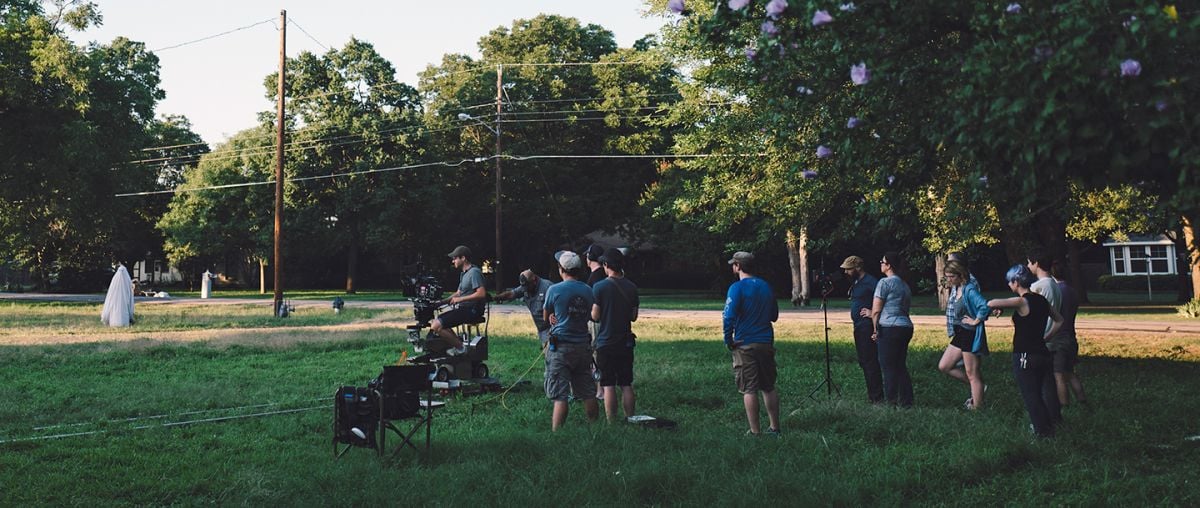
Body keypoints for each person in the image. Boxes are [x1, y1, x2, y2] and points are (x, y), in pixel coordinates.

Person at [975, 264, 1063, 437]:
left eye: (1010, 282)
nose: (1009, 285)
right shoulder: (1041, 300)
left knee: (1032, 396)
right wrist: (1047, 337)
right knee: (1043, 392)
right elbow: (1059, 320)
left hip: (1025, 355)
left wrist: (998, 306)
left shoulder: (1022, 301)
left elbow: (991, 302)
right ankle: (1050, 427)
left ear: (1016, 282)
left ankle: (1042, 433)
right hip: (1043, 353)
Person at [723, 251, 781, 436]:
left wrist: (728, 340)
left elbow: (728, 316)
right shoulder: (766, 286)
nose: (733, 267)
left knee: (749, 388)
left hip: (745, 343)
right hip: (765, 341)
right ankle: (774, 427)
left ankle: (755, 431)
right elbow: (774, 316)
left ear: (738, 266)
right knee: (768, 386)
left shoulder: (736, 288)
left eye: (734, 264)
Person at [542, 250, 599, 431]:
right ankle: (596, 428)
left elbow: (546, 316)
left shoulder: (554, 289)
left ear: (561, 269)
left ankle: (557, 433)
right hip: (583, 345)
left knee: (560, 395)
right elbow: (590, 313)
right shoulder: (588, 290)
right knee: (588, 391)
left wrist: (553, 315)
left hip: (561, 347)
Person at [591, 247, 639, 422]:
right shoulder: (632, 287)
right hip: (625, 341)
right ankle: (631, 418)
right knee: (626, 383)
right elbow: (633, 317)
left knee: (608, 384)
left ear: (605, 265)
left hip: (606, 342)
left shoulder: (599, 287)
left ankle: (612, 422)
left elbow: (595, 316)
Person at [938, 260, 990, 410]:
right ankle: (979, 388)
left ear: (960, 275)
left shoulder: (969, 289)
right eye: (946, 276)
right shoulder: (958, 288)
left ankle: (977, 408)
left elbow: (984, 306)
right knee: (944, 366)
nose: (948, 279)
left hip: (970, 333)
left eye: (950, 276)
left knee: (971, 373)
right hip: (960, 333)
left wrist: (975, 321)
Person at [871, 251, 914, 408]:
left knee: (888, 366)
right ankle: (907, 401)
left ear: (889, 265)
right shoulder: (905, 285)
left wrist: (875, 330)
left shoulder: (884, 283)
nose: (880, 264)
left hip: (889, 327)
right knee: (900, 365)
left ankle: (891, 402)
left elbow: (876, 310)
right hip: (906, 327)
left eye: (882, 262)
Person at [430, 245, 487, 355]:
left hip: (472, 310)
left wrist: (460, 299)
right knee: (436, 323)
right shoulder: (464, 274)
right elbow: (458, 293)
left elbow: (481, 293)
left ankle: (461, 349)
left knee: (437, 325)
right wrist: (441, 303)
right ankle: (458, 344)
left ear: (463, 258)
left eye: (455, 258)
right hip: (464, 309)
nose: (453, 261)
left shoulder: (474, 272)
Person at [841, 255, 882, 403]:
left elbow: (883, 299)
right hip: (858, 326)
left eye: (848, 269)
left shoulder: (871, 282)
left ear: (858, 268)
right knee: (864, 361)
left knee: (870, 361)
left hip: (867, 326)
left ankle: (877, 397)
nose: (846, 272)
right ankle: (872, 394)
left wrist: (873, 314)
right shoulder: (857, 282)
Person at [1050, 261, 1087, 407]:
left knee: (1058, 375)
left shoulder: (1056, 291)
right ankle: (1082, 400)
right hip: (1071, 335)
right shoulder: (1072, 291)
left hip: (1058, 336)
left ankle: (1064, 405)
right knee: (1070, 372)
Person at [495, 269, 553, 347]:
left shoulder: (548, 287)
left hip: (551, 328)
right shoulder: (525, 287)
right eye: (524, 286)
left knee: (551, 355)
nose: (525, 289)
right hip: (541, 329)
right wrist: (495, 298)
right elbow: (511, 294)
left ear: (534, 280)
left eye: (528, 286)